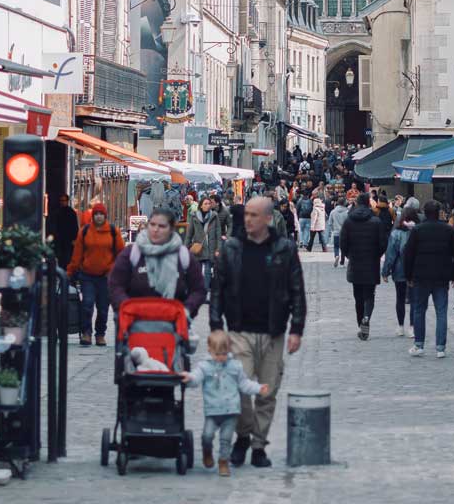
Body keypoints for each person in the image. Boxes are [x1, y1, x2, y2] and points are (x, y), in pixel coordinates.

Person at [209, 196, 306, 469]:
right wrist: (216, 327)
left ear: (267, 218)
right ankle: (242, 436)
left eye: (253, 215)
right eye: (246, 214)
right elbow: (217, 290)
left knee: (266, 392)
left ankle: (258, 445)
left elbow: (297, 290)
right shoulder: (232, 248)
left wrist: (296, 329)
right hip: (239, 330)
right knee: (238, 387)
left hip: (273, 332)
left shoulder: (284, 249)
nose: (247, 219)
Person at [182, 331, 270, 477]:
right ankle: (207, 451)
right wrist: (189, 378)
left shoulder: (235, 366)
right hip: (212, 411)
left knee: (226, 439)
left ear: (229, 349)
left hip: (231, 411)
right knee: (207, 435)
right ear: (210, 350)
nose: (221, 357)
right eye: (217, 354)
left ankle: (223, 461)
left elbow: (244, 384)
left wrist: (258, 388)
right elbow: (196, 377)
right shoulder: (204, 366)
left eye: (224, 353)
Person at [107, 208, 207, 315]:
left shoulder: (183, 255)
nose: (155, 229)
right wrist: (125, 308)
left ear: (172, 229)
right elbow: (115, 284)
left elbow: (198, 289)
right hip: (135, 323)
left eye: (162, 226)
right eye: (152, 224)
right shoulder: (132, 253)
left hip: (174, 324)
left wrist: (186, 310)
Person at [399, 201, 454, 358]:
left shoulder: (417, 231)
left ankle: (419, 344)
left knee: (419, 310)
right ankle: (440, 347)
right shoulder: (448, 230)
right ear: (439, 213)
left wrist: (408, 275)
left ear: (425, 213)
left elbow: (408, 255)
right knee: (441, 311)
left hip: (421, 276)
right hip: (441, 276)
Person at [67, 203, 127, 347]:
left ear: (105, 216)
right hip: (87, 275)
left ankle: (100, 334)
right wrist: (71, 270)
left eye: (101, 214)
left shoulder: (113, 232)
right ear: (93, 216)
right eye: (96, 214)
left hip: (106, 277)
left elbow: (121, 254)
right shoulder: (85, 231)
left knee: (103, 308)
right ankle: (86, 332)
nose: (98, 216)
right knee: (87, 304)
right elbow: (77, 254)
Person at [338, 194, 389, 340]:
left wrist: (349, 255)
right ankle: (366, 318)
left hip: (355, 262)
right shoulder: (376, 221)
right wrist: (376, 255)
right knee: (369, 295)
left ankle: (361, 322)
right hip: (371, 263)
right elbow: (383, 243)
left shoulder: (349, 221)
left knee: (358, 297)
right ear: (368, 204)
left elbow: (343, 243)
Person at [379, 208, 417, 338]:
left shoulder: (396, 234)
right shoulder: (418, 231)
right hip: (415, 271)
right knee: (414, 300)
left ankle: (401, 326)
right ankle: (412, 327)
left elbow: (390, 255)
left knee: (400, 299)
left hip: (399, 270)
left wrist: (385, 271)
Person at [329, 198, 351, 266]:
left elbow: (330, 223)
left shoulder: (333, 211)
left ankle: (336, 256)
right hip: (345, 233)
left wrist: (333, 229)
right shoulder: (347, 212)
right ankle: (342, 261)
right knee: (343, 247)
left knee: (336, 246)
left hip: (336, 232)